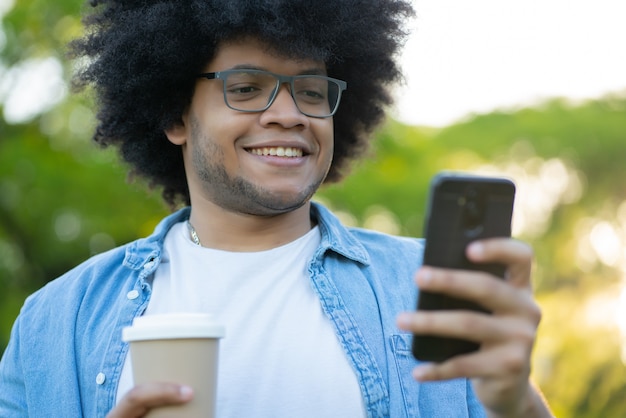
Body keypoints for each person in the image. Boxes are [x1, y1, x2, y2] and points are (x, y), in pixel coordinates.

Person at [0, 0, 553, 416]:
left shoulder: (430, 288)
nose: (289, 114)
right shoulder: (56, 321)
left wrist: (516, 402)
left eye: (311, 91)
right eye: (245, 87)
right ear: (173, 116)